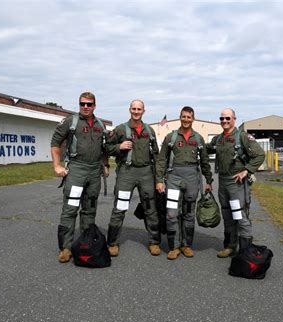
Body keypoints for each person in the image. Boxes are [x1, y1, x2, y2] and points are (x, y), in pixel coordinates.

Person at [51, 92, 109, 263]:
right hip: (77, 169)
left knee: (90, 208)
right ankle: (66, 248)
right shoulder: (70, 121)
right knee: (70, 208)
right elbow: (55, 142)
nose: (85, 107)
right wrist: (57, 165)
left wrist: (105, 165)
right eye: (82, 103)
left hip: (94, 171)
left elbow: (104, 148)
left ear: (94, 106)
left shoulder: (100, 125)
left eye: (89, 104)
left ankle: (86, 242)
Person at [155, 106, 213, 260]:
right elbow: (161, 160)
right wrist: (159, 180)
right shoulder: (171, 137)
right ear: (180, 117)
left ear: (193, 119)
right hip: (174, 178)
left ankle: (186, 245)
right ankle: (173, 247)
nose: (186, 119)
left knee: (188, 213)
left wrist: (208, 180)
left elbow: (205, 162)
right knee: (172, 214)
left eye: (189, 117)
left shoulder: (199, 139)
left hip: (192, 179)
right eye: (184, 116)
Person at [106, 99, 161, 256]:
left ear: (144, 111)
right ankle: (112, 243)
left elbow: (156, 155)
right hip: (127, 172)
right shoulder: (120, 129)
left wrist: (158, 178)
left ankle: (154, 242)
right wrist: (119, 147)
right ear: (129, 110)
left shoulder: (149, 131)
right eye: (134, 109)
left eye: (139, 109)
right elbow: (107, 147)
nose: (136, 111)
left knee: (150, 208)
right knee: (120, 207)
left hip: (146, 173)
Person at [207, 108, 265, 258]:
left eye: (227, 118)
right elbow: (206, 149)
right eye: (222, 119)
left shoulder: (243, 137)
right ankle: (230, 246)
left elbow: (259, 155)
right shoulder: (219, 139)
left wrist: (246, 170)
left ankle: (245, 251)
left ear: (234, 119)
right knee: (227, 214)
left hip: (237, 183)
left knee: (239, 215)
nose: (224, 121)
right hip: (223, 182)